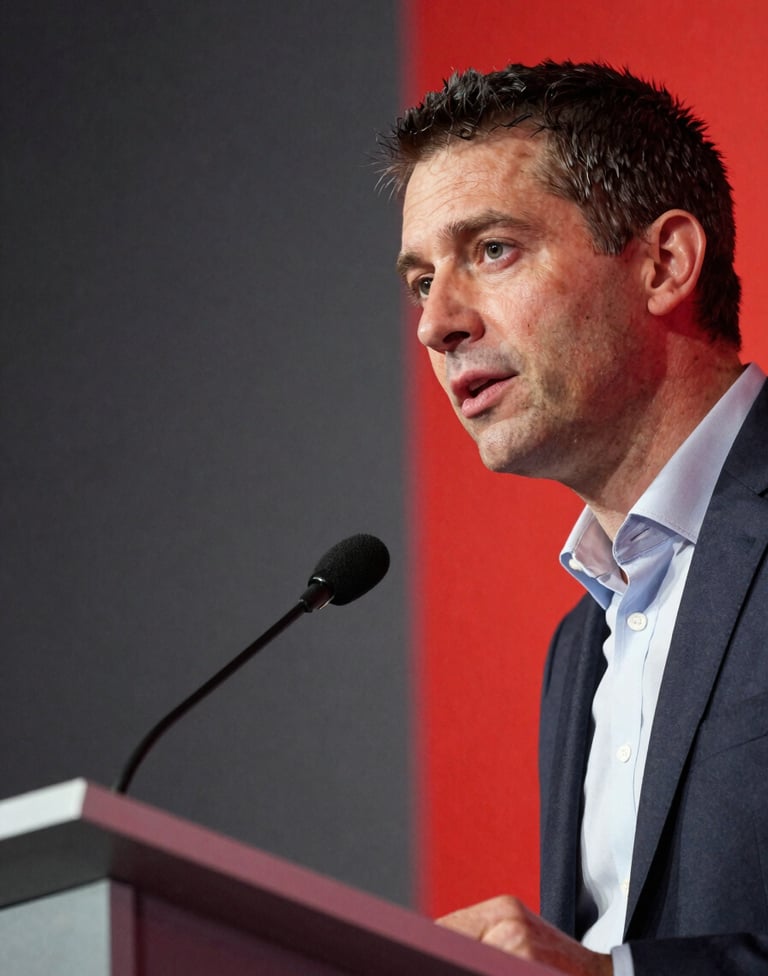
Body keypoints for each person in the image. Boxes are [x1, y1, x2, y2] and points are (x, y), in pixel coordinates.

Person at [381, 61, 768, 975]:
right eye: (418, 281)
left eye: (492, 250)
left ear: (663, 263)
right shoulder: (581, 644)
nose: (437, 323)